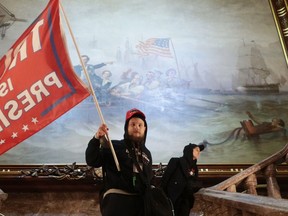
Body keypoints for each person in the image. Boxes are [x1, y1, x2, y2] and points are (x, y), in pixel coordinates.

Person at [85, 108, 153, 216]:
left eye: (140, 125)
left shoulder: (147, 154)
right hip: (117, 202)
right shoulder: (114, 146)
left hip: (140, 204)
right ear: (127, 128)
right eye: (133, 124)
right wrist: (96, 138)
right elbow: (92, 160)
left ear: (145, 129)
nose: (136, 127)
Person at [161, 143, 206, 216]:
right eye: (196, 150)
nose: (199, 152)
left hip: (186, 199)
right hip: (172, 198)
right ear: (189, 151)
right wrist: (164, 196)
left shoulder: (194, 168)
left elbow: (194, 181)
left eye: (199, 151)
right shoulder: (175, 161)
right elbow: (165, 179)